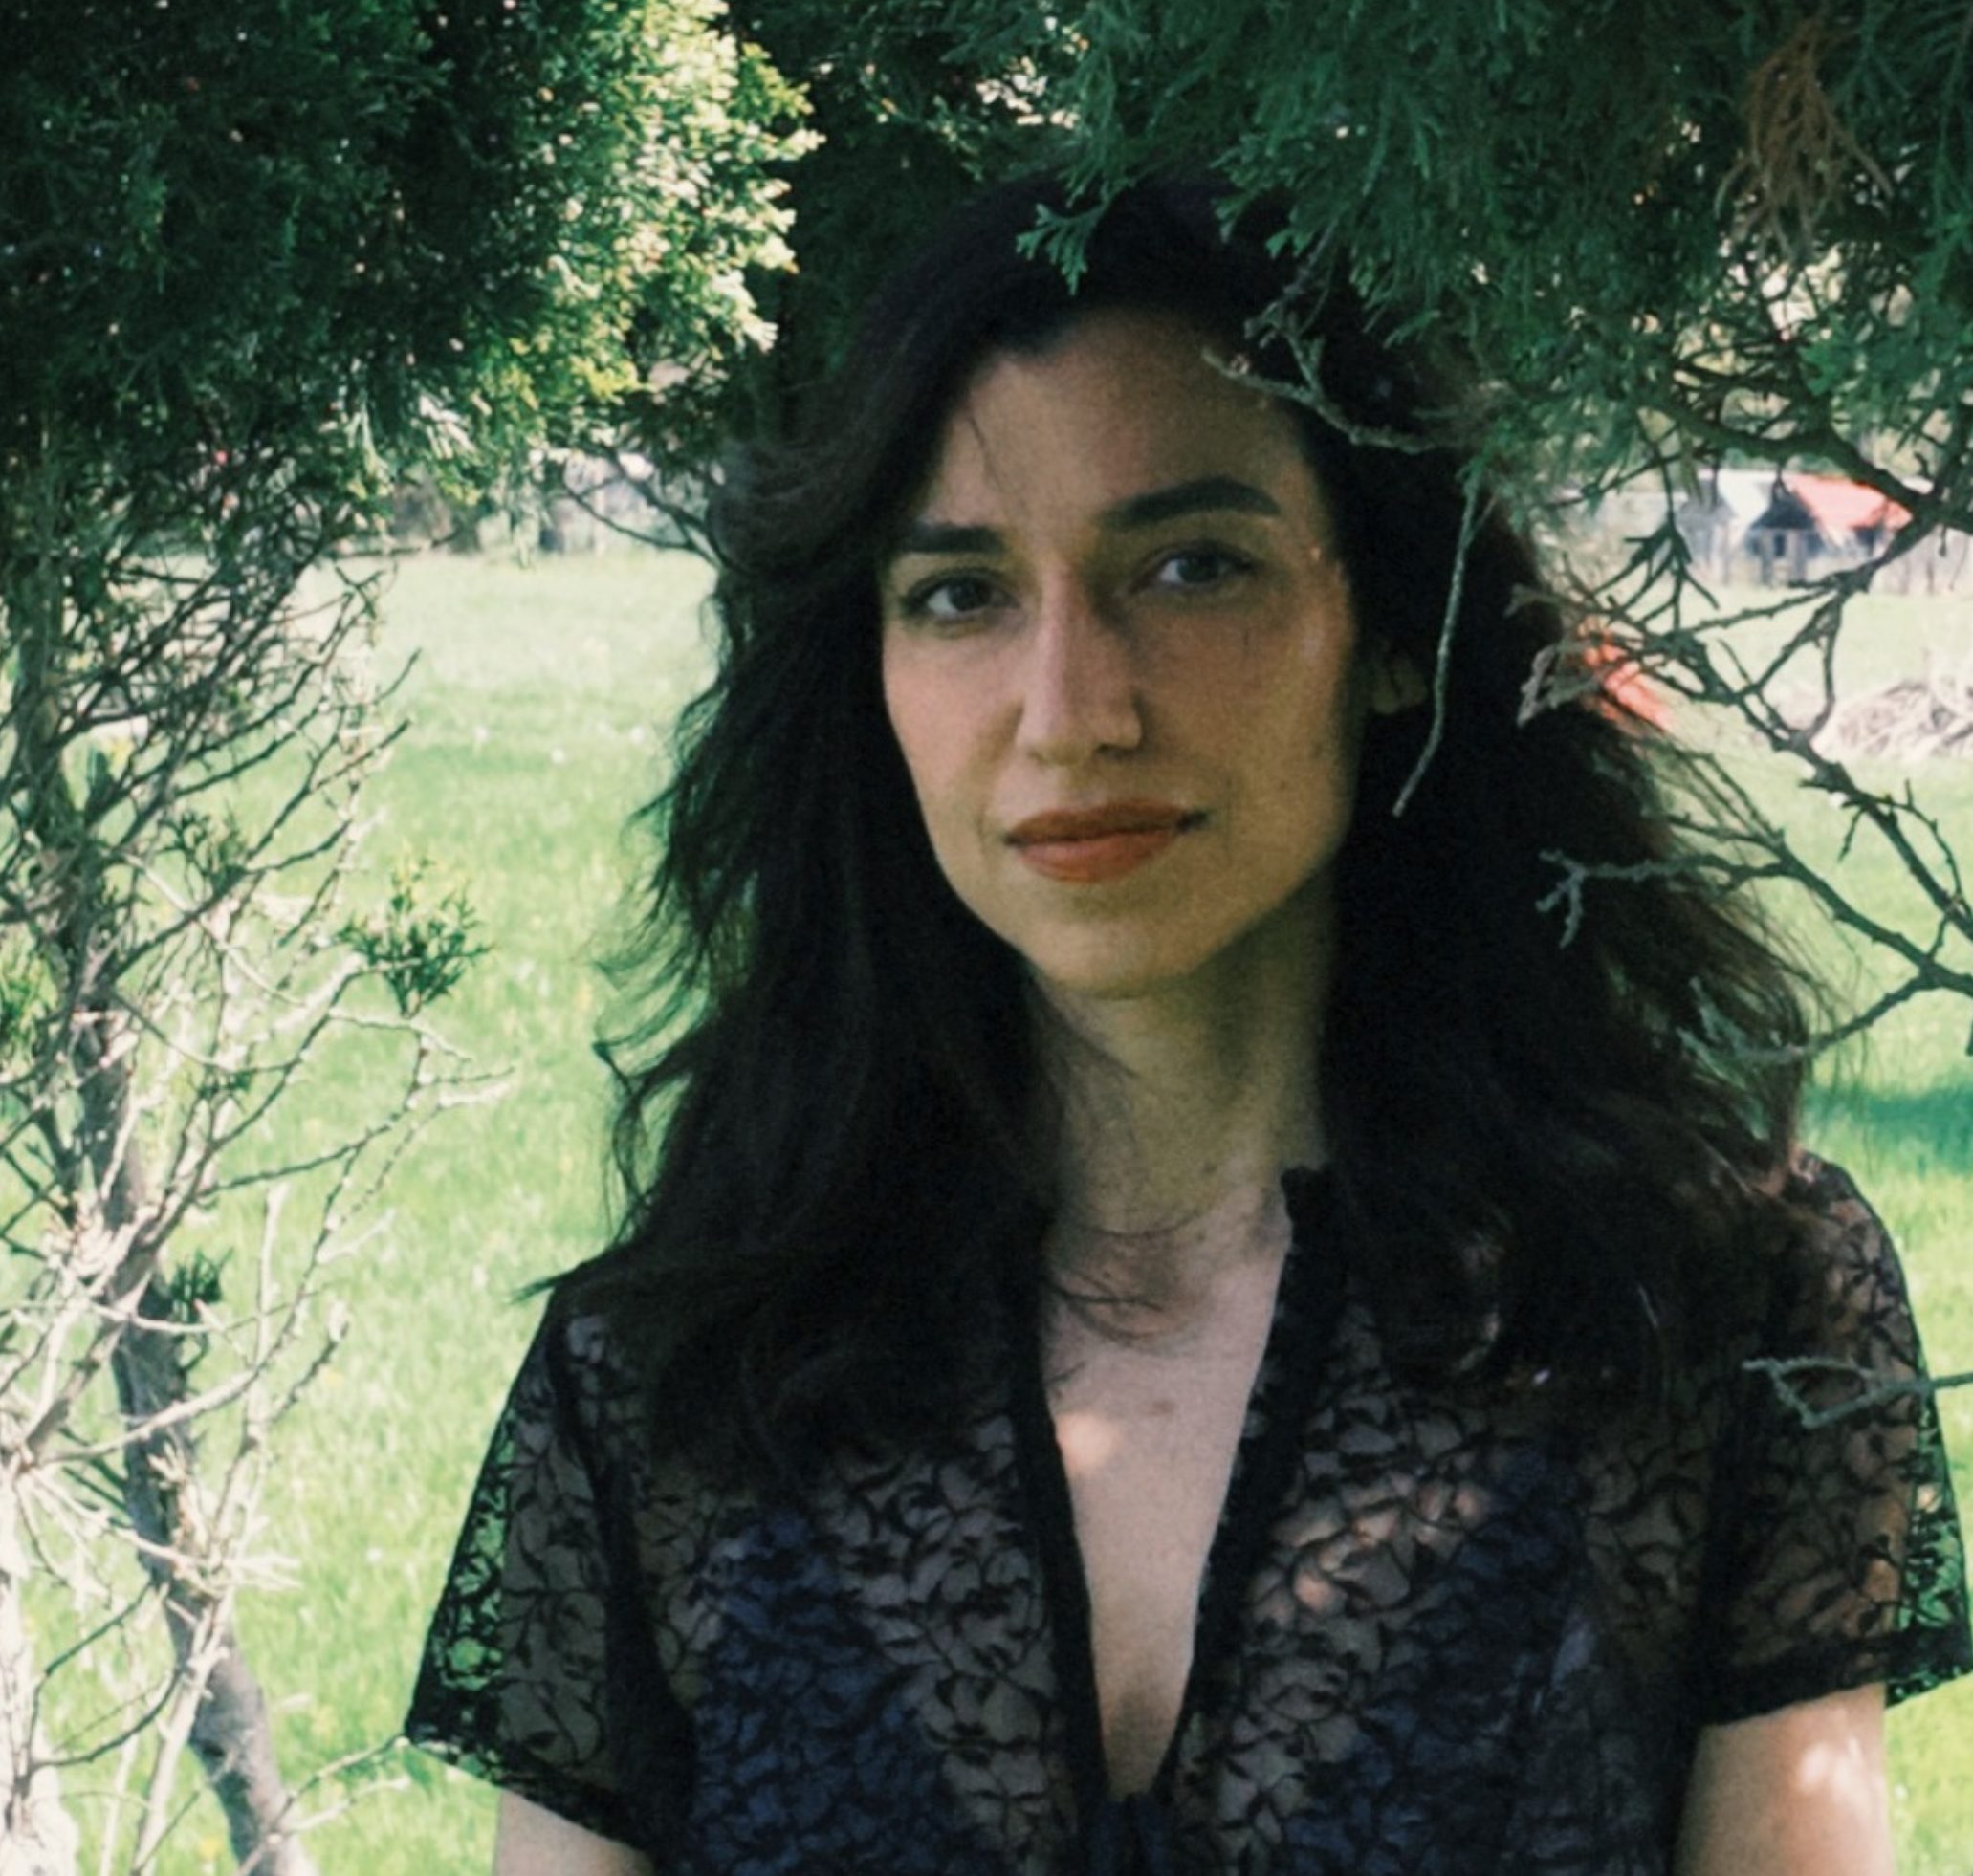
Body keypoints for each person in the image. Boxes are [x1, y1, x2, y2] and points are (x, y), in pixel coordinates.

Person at [406, 178, 1970, 1875]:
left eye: (1188, 564)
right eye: (958, 593)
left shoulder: (1711, 1302)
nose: (1070, 709)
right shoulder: (665, 1385)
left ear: (1385, 629)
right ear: (867, 672)